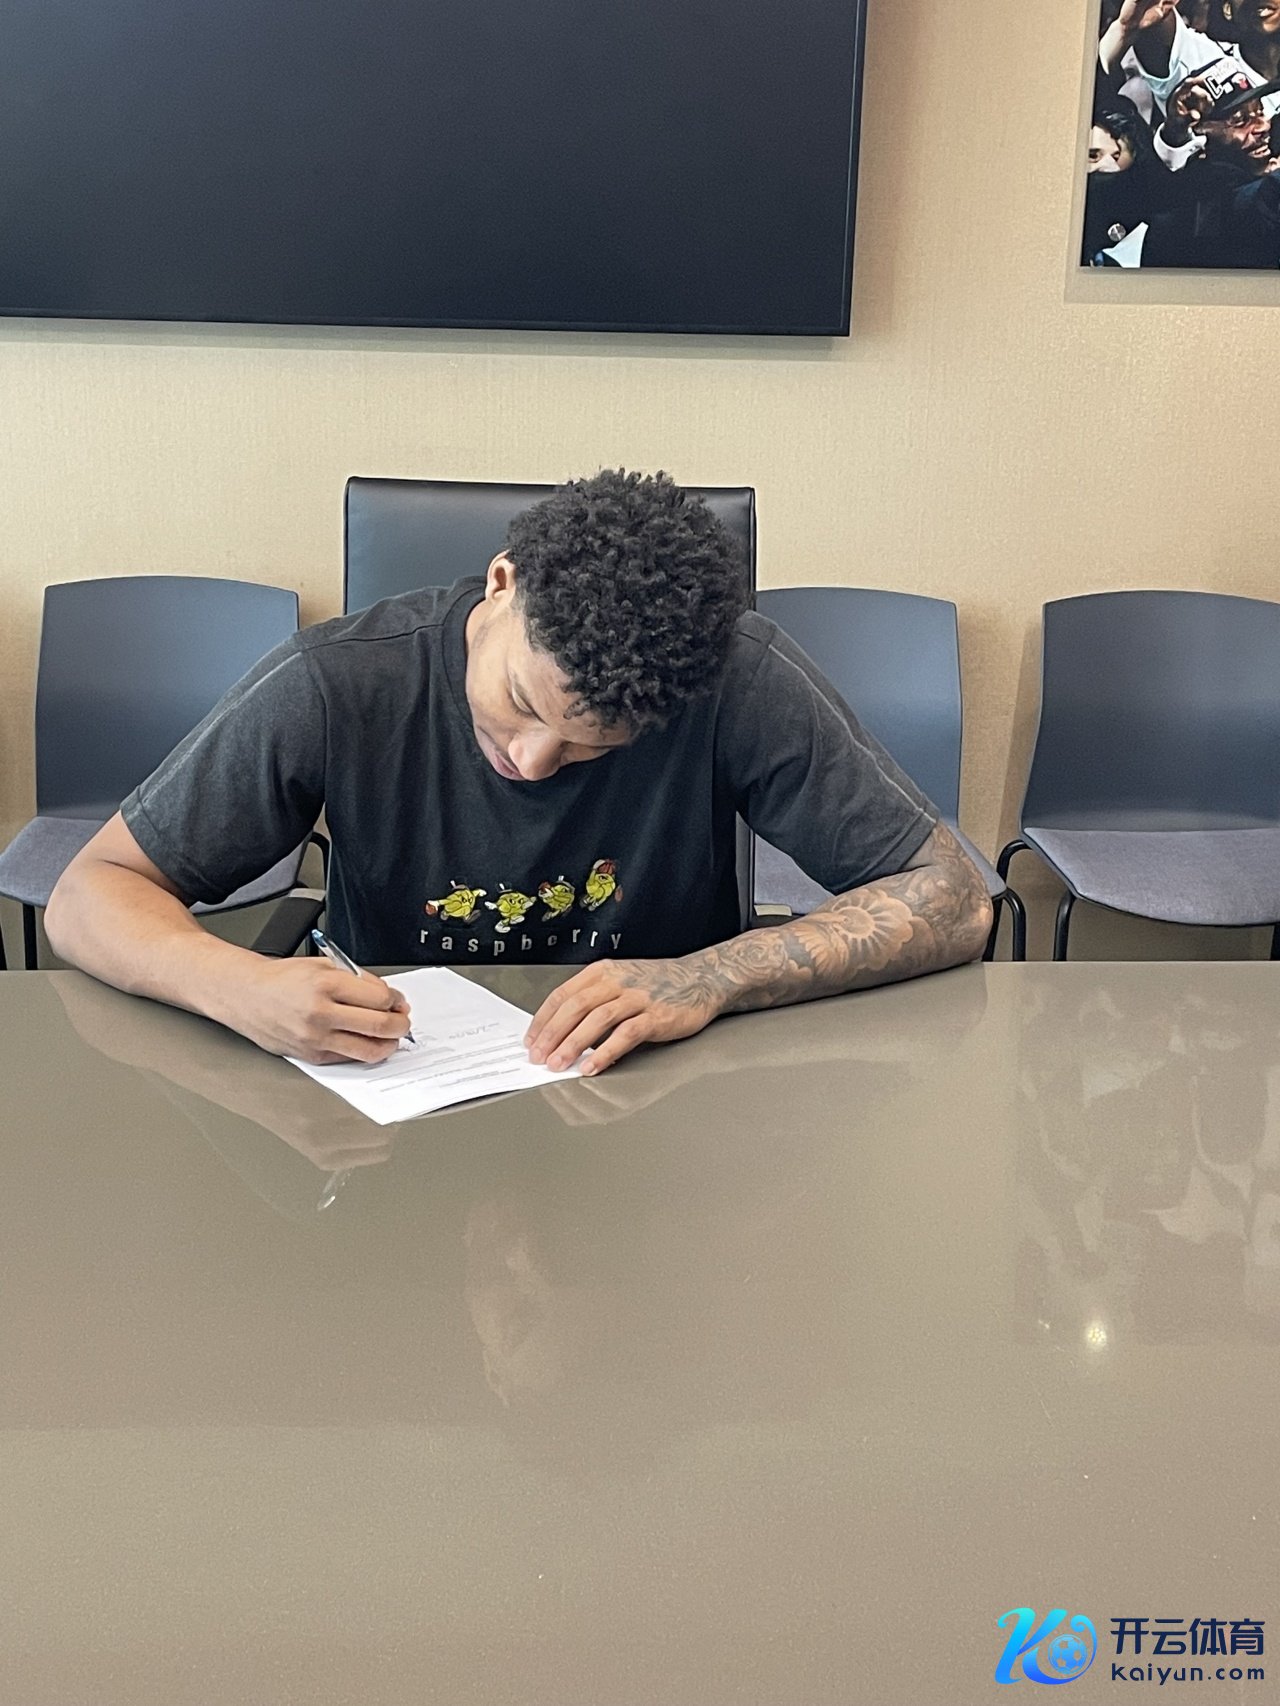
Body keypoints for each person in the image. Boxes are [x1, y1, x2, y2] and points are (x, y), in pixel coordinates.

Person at [45, 469, 992, 1074]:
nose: (534, 762)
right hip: (393, 1082)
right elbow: (92, 893)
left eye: (592, 746)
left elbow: (953, 898)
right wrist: (239, 984)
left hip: (656, 1094)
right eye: (522, 703)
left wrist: (709, 977)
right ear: (503, 583)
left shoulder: (731, 675)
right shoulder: (337, 683)